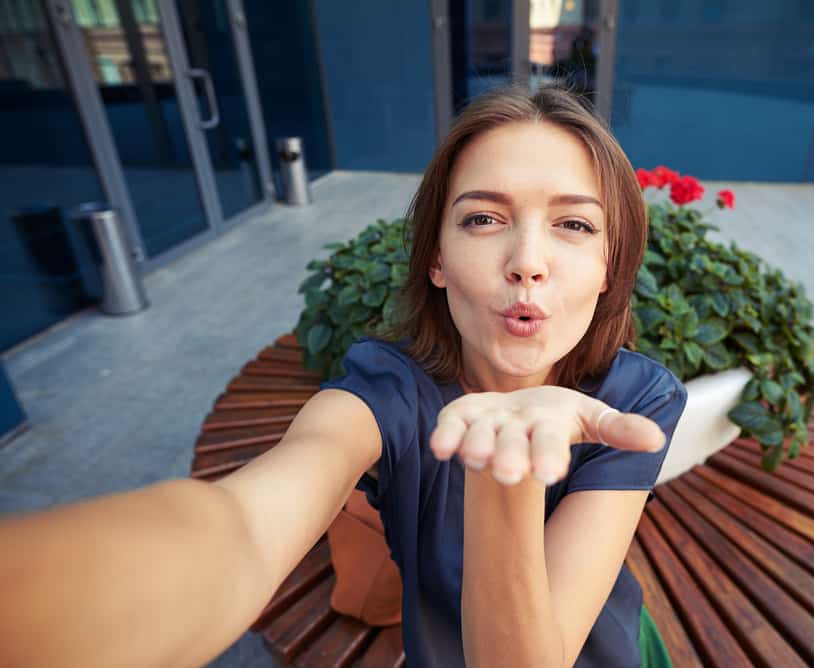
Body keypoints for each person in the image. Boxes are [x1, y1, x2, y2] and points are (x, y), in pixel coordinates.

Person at [0, 84, 686, 667]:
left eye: (573, 224)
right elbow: (239, 527)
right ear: (436, 261)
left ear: (608, 270)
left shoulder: (635, 399)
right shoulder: (384, 395)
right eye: (482, 218)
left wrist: (504, 467)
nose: (527, 261)